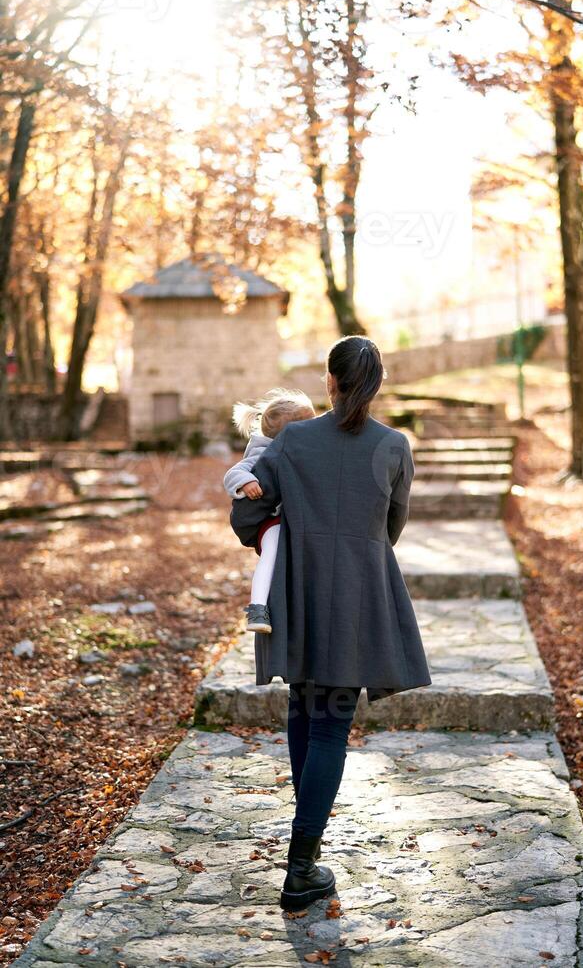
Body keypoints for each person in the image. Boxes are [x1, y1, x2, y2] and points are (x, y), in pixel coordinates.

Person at [230, 336, 431, 912]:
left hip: (300, 592)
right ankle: (300, 866)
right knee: (329, 726)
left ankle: (305, 854)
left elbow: (247, 510)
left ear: (329, 382)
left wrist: (281, 539)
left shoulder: (292, 439)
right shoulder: (394, 446)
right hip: (356, 600)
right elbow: (392, 528)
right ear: (377, 385)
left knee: (304, 710)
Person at [223, 389, 316, 633]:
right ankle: (257, 607)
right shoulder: (261, 451)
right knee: (272, 551)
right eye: (309, 426)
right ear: (289, 434)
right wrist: (247, 482)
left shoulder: (299, 451)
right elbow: (233, 473)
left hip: (290, 519)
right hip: (269, 522)